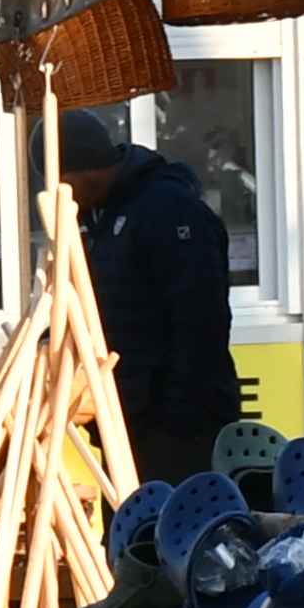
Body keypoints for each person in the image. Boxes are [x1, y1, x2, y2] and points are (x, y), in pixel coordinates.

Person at [62, 105, 242, 468]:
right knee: (130, 520)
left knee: (175, 519)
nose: (61, 195)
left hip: (175, 425)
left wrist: (176, 412)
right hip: (126, 418)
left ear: (84, 170)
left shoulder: (168, 210)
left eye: (62, 181)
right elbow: (102, 302)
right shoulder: (100, 216)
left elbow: (200, 318)